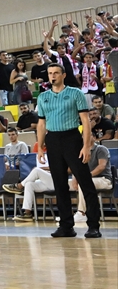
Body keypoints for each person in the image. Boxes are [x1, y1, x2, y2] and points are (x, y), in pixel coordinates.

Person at [37, 63, 99, 238]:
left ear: (63, 75)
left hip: (72, 138)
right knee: (60, 185)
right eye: (50, 73)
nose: (52, 76)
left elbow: (85, 121)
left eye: (56, 73)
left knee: (85, 182)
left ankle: (93, 225)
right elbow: (41, 123)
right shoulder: (43, 97)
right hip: (53, 140)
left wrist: (86, 146)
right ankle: (66, 226)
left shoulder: (75, 93)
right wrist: (40, 147)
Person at [4, 152, 51, 221]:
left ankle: (19, 186)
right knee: (29, 184)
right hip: (49, 180)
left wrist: (43, 169)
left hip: (59, 181)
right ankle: (27, 213)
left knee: (36, 170)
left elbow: (68, 170)